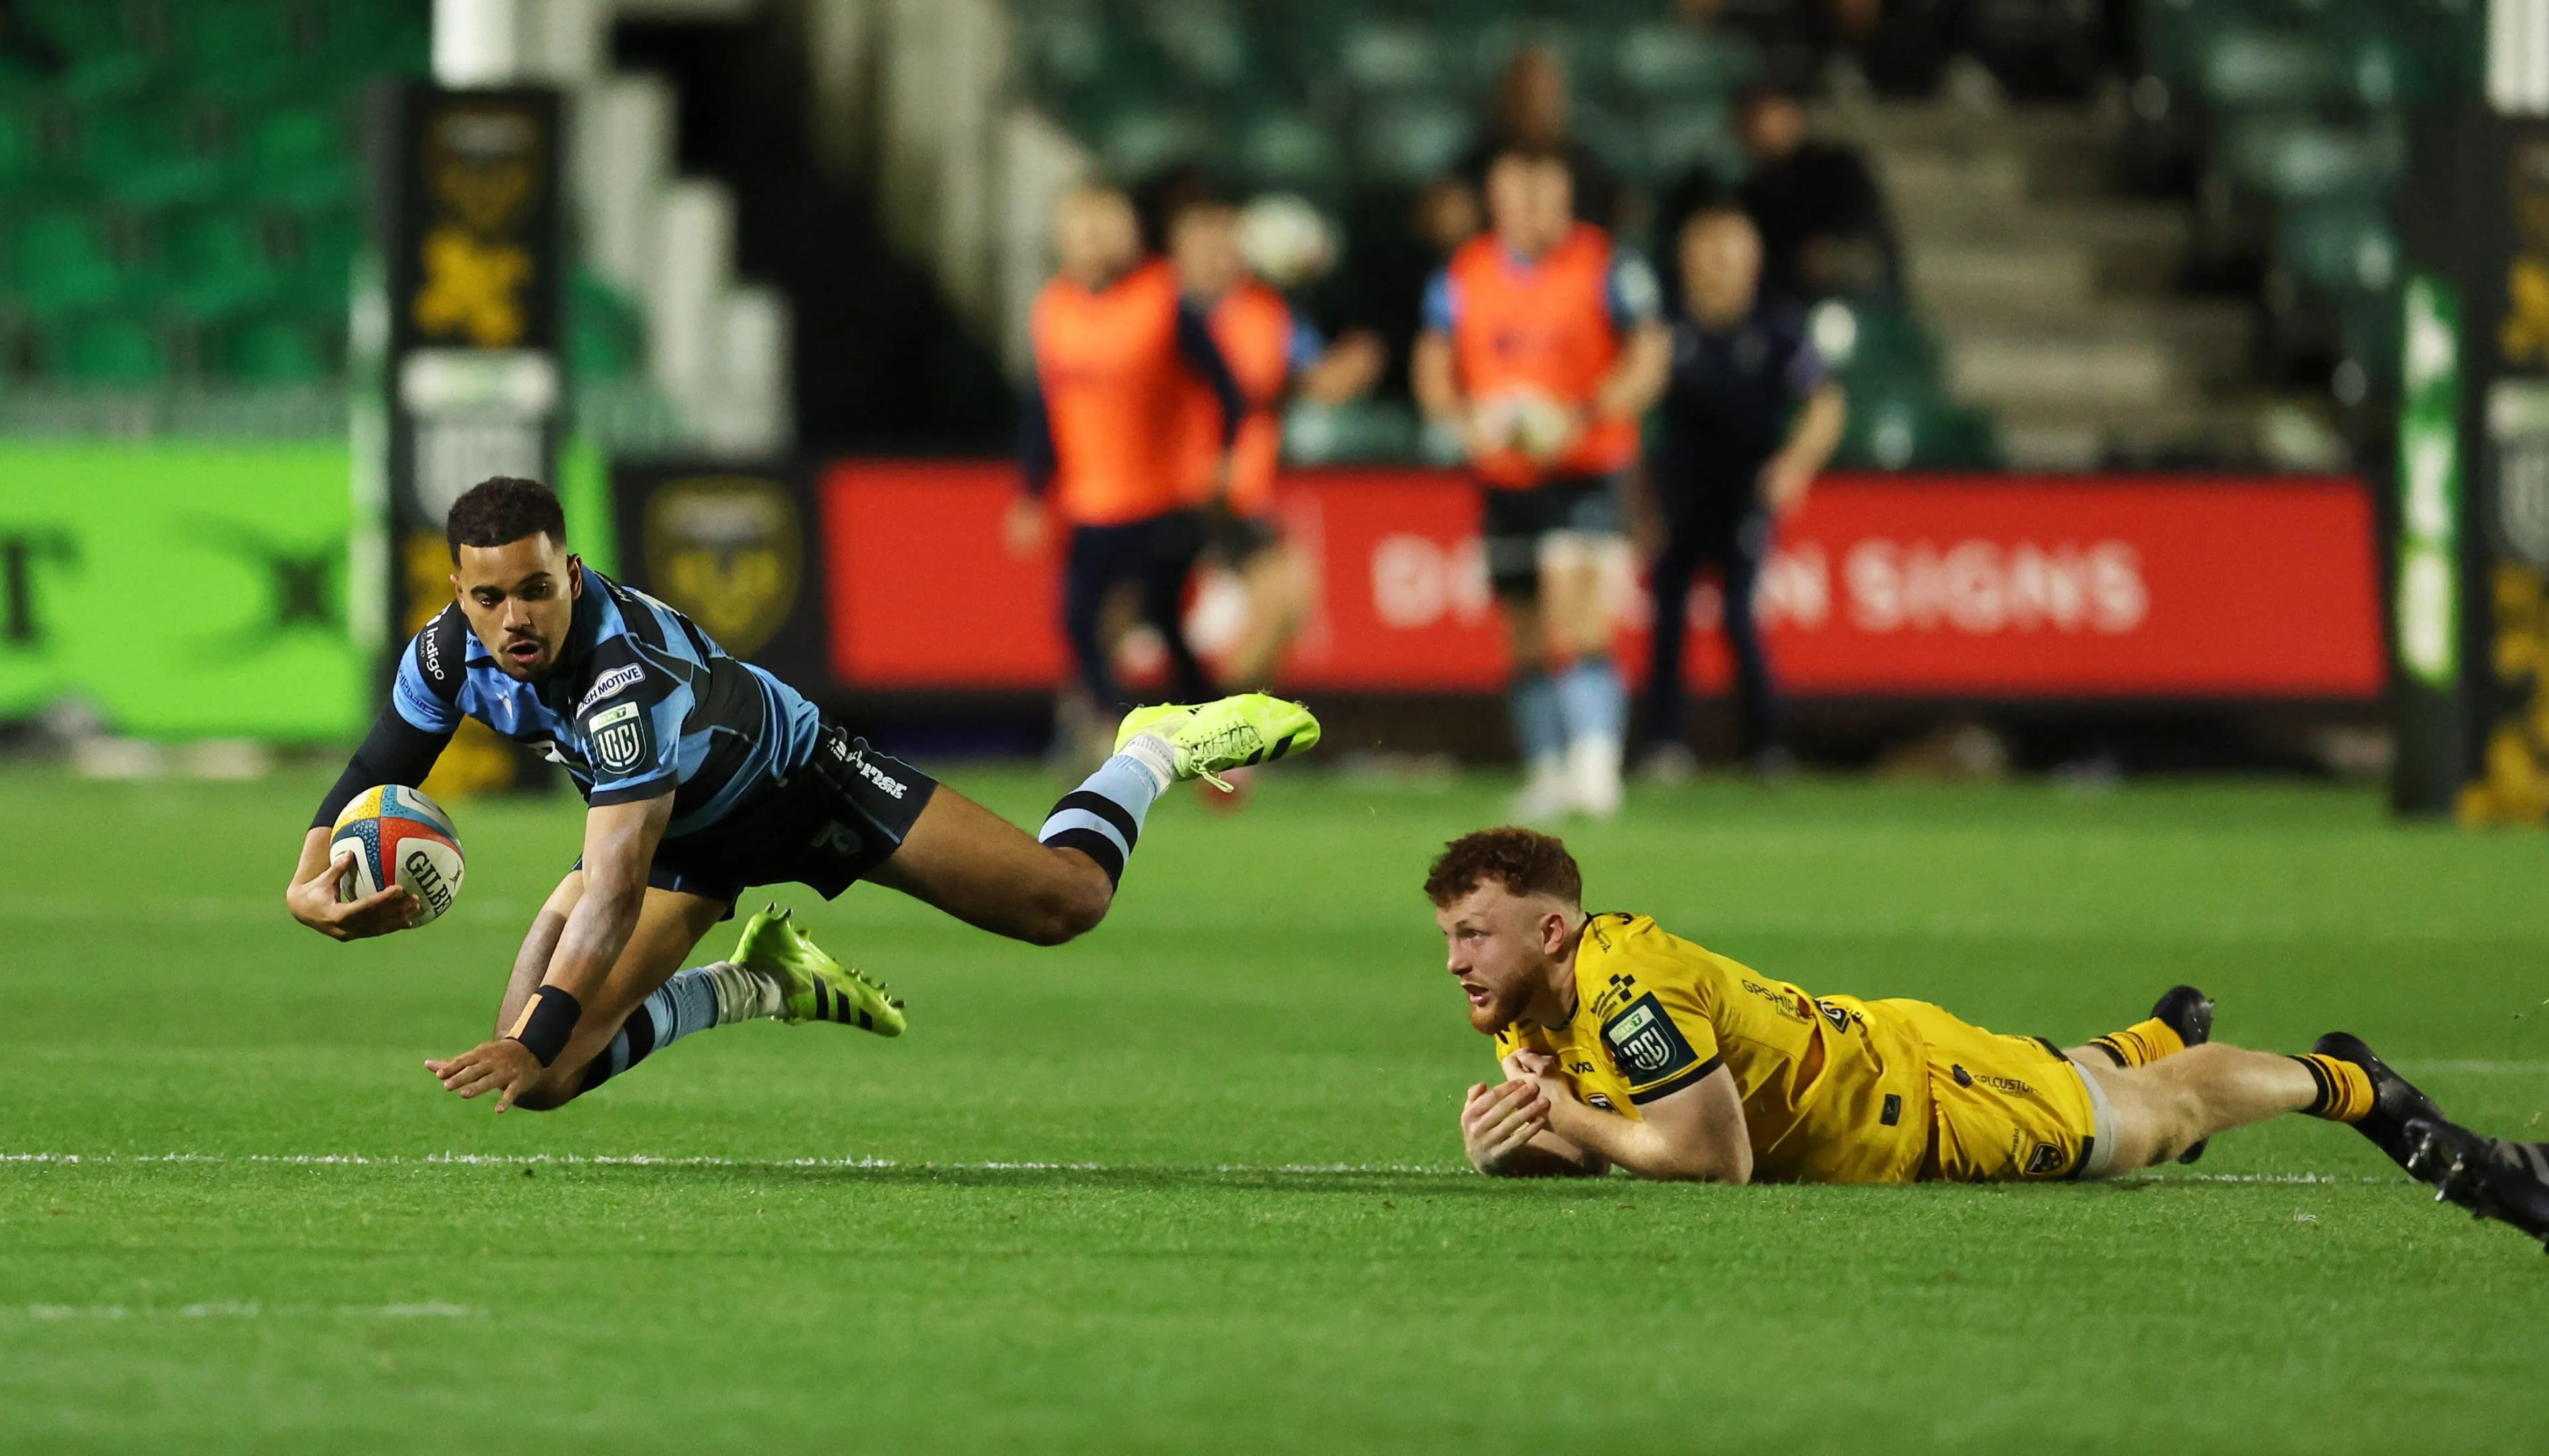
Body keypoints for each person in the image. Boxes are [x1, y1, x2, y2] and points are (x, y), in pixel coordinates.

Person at [285, 477, 1320, 1112]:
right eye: (490, 595)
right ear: (458, 591)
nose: (515, 616)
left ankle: (1151, 749)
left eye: (536, 588)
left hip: (802, 780)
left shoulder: (622, 677)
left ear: (574, 572)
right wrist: (307, 877)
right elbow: (375, 768)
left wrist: (533, 1031)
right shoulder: (446, 654)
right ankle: (761, 982)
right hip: (683, 838)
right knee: (543, 1077)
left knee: (1066, 902)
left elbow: (611, 890)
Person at [1424, 826, 2549, 1248]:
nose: (1457, 960)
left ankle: (2352, 1081)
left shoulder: (1628, 988)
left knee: (2156, 1120)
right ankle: (2144, 1034)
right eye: (1450, 938)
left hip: (1926, 1109)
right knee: (2075, 1077)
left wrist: (1559, 1115)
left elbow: (1713, 1159)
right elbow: (1603, 1139)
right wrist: (1513, 1146)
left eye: (1475, 933)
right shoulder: (1529, 1006)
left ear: (1552, 928)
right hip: (1885, 1055)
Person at [1412, 147, 1671, 820]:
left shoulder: (1607, 265)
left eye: (1547, 195)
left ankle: (1597, 764)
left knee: (1578, 607)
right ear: (1497, 203)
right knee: (1523, 624)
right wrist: (1462, 420)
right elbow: (1433, 361)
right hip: (1505, 475)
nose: (1534, 209)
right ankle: (1549, 768)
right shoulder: (1464, 274)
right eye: (1519, 196)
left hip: (1587, 466)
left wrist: (1586, 415)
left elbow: (1649, 353)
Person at [1006, 182, 1249, 737]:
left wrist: (1224, 456)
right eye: (1081, 230)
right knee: (1078, 622)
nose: (1092, 241)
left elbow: (1225, 387)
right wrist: (1030, 492)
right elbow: (1045, 408)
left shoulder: (1163, 299)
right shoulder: (1054, 310)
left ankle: (1217, 734)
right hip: (1091, 501)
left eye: (1103, 228)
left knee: (1164, 617)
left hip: (1162, 498)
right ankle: (1118, 730)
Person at [1634, 204, 1845, 779]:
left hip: (1744, 493)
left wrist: (1795, 465)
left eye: (1729, 250)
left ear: (1753, 259)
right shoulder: (1664, 327)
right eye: (1706, 250)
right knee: (1668, 616)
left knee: (1738, 614)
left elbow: (1825, 403)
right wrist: (1637, 498)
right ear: (1686, 259)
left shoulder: (1778, 327)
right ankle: (1664, 744)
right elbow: (1631, 407)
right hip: (1678, 492)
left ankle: (1767, 746)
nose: (1718, 263)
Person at [1167, 184, 1385, 690]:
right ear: (1176, 251)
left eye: (1224, 240)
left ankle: (1217, 727)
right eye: (1201, 242)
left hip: (1236, 496)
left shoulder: (1266, 314)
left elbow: (1310, 381)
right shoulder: (1158, 314)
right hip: (1166, 495)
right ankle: (1098, 720)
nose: (1215, 255)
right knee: (1132, 616)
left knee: (1287, 599)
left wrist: (1357, 358)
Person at [1733, 80, 1900, 305]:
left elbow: (1867, 231)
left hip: (1855, 293)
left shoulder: (1839, 167)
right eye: (1757, 120)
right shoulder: (1752, 194)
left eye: (1775, 116)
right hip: (1787, 301)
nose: (1768, 128)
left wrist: (1830, 252)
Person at [1452, 45, 1624, 233]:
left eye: (1543, 94)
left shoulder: (1588, 168)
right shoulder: (1476, 166)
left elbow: (1619, 212)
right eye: (1524, 94)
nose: (1534, 106)